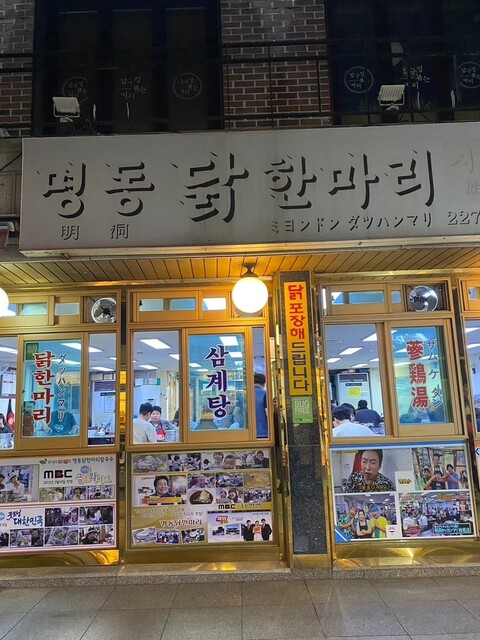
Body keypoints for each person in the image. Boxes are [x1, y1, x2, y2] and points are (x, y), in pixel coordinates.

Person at [254, 372, 268, 438]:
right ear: (264, 384)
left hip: (246, 434)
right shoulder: (265, 394)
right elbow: (268, 413)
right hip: (263, 432)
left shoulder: (243, 395)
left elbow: (235, 412)